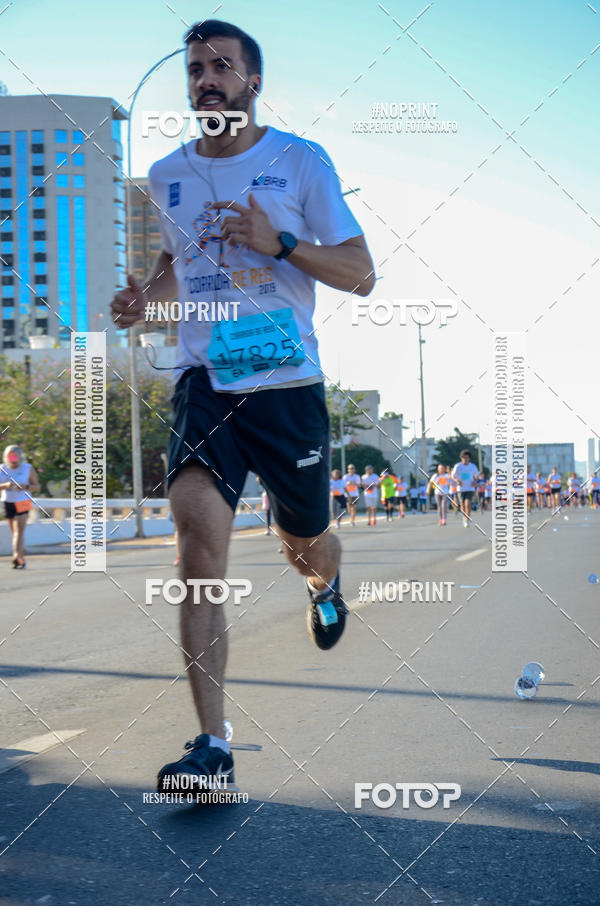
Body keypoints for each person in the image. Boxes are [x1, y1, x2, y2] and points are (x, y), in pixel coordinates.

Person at [110, 20, 375, 794]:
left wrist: (280, 244)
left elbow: (361, 274)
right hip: (205, 385)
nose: (206, 81)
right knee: (196, 560)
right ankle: (212, 746)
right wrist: (141, 301)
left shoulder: (300, 161)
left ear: (252, 82)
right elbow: (174, 275)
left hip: (287, 386)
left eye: (222, 67)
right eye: (196, 69)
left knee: (304, 542)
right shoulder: (167, 175)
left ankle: (324, 584)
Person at [0, 445, 40, 569]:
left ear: (19, 456)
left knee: (19, 531)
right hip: (8, 501)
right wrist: (6, 485)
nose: (12, 457)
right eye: (10, 455)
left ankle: (16, 557)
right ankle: (21, 558)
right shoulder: (2, 468)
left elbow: (37, 486)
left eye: (14, 455)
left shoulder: (28, 468)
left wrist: (25, 487)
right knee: (15, 532)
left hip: (23, 501)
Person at [451, 450, 479, 527]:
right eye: (464, 457)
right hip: (461, 488)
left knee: (468, 503)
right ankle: (464, 517)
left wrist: (475, 481)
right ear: (461, 458)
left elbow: (477, 476)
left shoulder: (472, 466)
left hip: (470, 488)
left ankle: (467, 519)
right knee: (462, 505)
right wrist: (457, 480)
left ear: (469, 458)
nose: (465, 459)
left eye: (467, 457)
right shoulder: (458, 466)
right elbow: (452, 475)